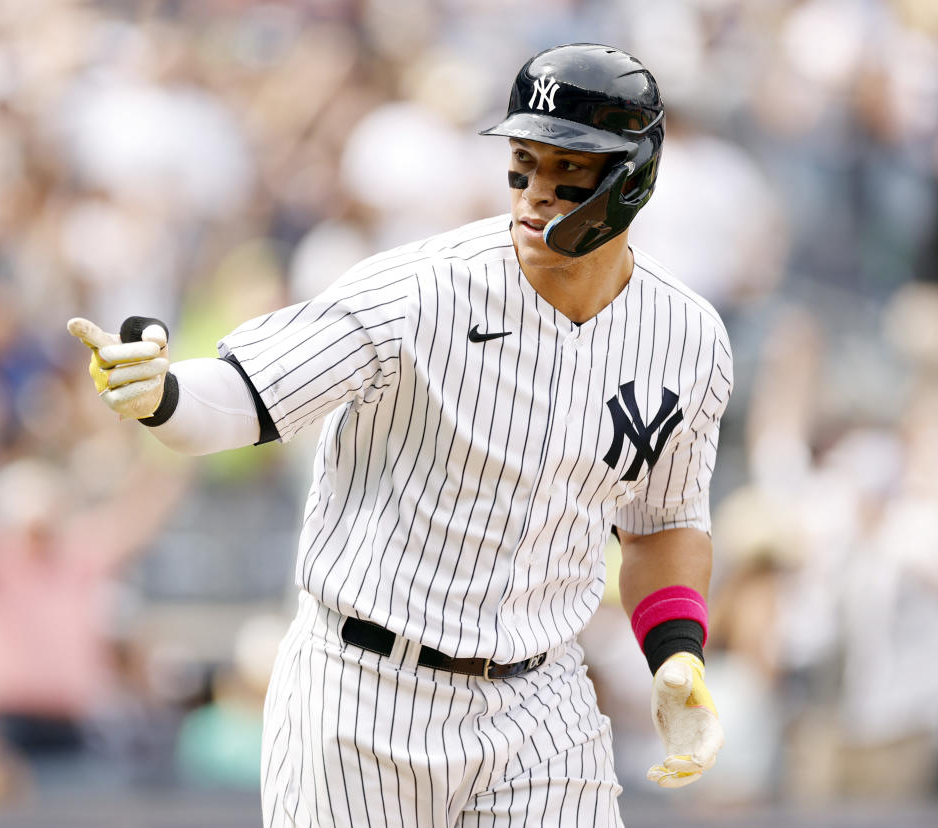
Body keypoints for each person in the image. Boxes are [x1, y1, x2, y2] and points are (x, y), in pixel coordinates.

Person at [67, 43, 733, 827]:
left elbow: (663, 523)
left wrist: (676, 652)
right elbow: (246, 396)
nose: (535, 191)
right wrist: (163, 396)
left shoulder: (688, 337)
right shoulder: (419, 290)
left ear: (634, 180)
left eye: (568, 169)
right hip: (363, 695)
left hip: (542, 704)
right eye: (523, 160)